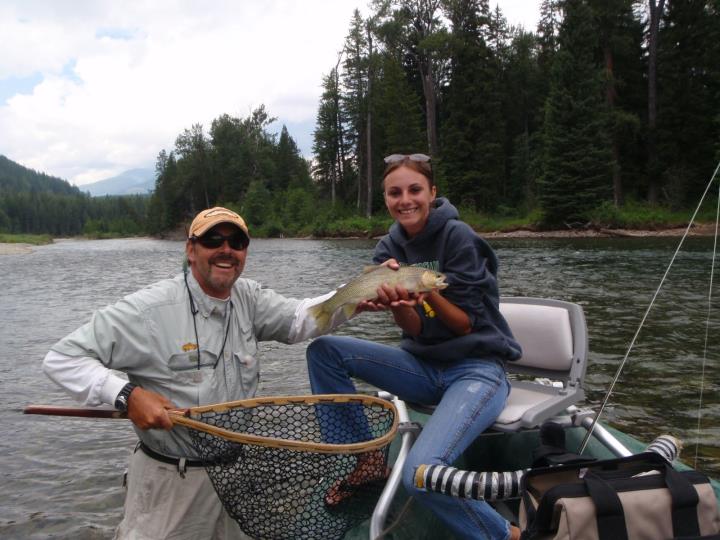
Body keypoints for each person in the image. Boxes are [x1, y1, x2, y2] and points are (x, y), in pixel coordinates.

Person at [42, 206, 350, 540]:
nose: (226, 249)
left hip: (235, 479)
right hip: (172, 481)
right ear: (191, 250)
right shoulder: (148, 311)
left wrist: (364, 292)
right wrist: (127, 396)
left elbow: (301, 319)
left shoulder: (249, 298)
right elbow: (62, 359)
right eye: (212, 239)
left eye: (237, 242)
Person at [306, 154, 523, 540]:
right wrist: (403, 306)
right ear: (386, 199)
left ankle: (505, 535)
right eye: (395, 192)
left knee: (420, 474)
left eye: (415, 190)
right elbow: (417, 331)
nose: (405, 199)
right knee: (324, 351)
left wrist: (425, 290)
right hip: (422, 366)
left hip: (477, 369)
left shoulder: (459, 238)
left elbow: (464, 323)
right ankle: (367, 460)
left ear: (432, 193)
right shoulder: (388, 247)